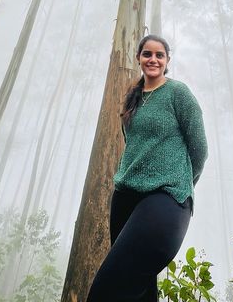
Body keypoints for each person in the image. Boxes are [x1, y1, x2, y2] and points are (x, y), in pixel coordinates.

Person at [86, 34, 208, 302]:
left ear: (167, 61)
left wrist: (183, 184)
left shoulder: (178, 93)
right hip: (125, 198)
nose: (153, 59)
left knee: (107, 290)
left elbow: (199, 149)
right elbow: (132, 145)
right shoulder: (133, 99)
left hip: (167, 196)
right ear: (139, 58)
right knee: (140, 291)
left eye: (159, 55)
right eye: (147, 54)